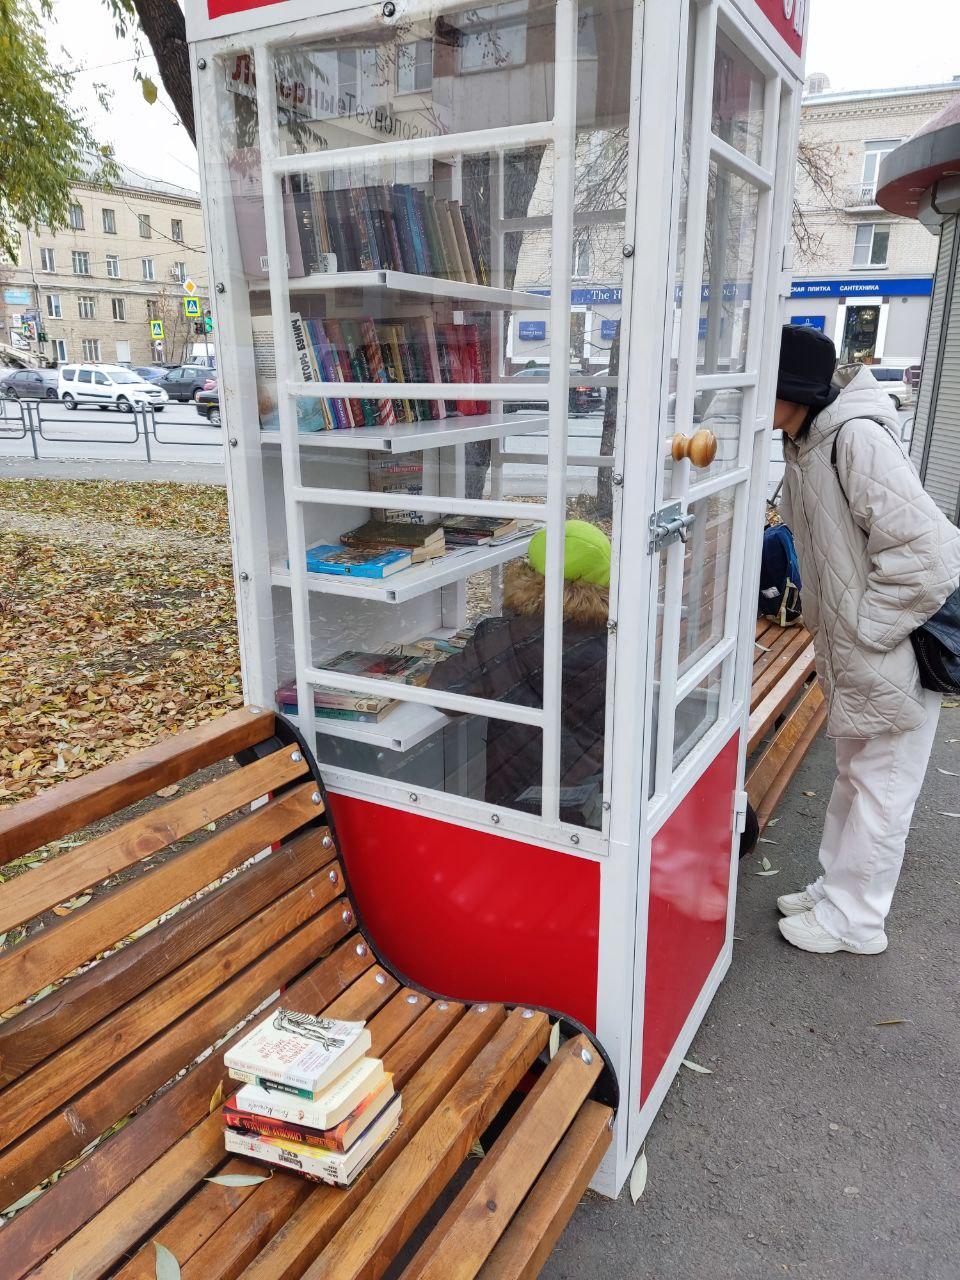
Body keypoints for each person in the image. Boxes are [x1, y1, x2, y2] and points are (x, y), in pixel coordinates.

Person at [773, 324, 960, 955]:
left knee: (883, 787)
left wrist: (867, 628)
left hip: (893, 649)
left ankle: (856, 920)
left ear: (791, 392)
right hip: (864, 650)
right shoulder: (805, 442)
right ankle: (837, 891)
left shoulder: (852, 438)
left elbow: (933, 553)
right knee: (856, 774)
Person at [427, 519, 609, 827]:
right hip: (597, 800)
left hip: (522, 808)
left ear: (532, 576)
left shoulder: (506, 636)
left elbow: (445, 691)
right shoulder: (616, 633)